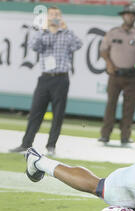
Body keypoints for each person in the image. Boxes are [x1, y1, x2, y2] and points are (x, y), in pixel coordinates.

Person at [9, 6, 82, 157]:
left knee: (57, 114)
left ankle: (51, 146)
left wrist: (65, 28)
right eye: (51, 15)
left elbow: (78, 44)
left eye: (57, 14)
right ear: (47, 17)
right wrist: (44, 29)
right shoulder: (42, 33)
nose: (54, 17)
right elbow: (34, 46)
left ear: (61, 17)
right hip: (45, 78)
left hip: (61, 78)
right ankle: (26, 143)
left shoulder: (67, 34)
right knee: (36, 112)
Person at [98, 4, 135, 147]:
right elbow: (103, 50)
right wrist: (108, 62)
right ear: (123, 15)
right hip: (115, 74)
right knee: (110, 104)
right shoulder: (113, 33)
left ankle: (125, 135)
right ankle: (105, 134)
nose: (130, 17)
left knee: (130, 107)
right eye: (128, 14)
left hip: (133, 76)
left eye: (133, 15)